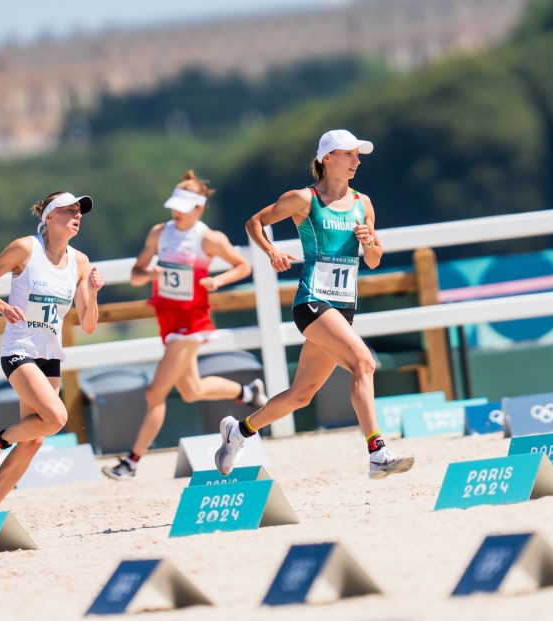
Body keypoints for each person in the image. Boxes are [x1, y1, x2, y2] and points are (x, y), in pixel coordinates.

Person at [214, 129, 415, 480]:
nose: (356, 161)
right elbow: (254, 222)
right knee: (364, 363)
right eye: (349, 154)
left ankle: (239, 431)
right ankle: (377, 452)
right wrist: (272, 252)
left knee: (300, 395)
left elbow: (374, 260)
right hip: (313, 303)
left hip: (343, 308)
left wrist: (369, 243)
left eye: (358, 155)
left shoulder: (362, 203)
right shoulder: (304, 199)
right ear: (327, 159)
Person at [102, 171, 265, 480]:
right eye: (174, 206)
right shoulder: (159, 233)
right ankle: (248, 392)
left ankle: (131, 462)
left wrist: (217, 280)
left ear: (199, 209)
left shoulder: (208, 238)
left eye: (183, 207)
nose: (176, 213)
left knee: (155, 393)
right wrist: (147, 274)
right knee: (191, 390)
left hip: (192, 321)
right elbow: (136, 273)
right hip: (167, 317)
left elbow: (243, 265)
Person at [0, 190, 104, 510]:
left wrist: (94, 292)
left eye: (79, 212)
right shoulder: (26, 248)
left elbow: (87, 324)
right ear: (50, 217)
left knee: (34, 440)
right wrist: (1, 305)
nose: (77, 216)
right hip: (19, 349)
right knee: (56, 418)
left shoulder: (80, 262)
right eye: (70, 211)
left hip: (50, 355)